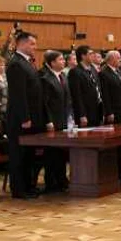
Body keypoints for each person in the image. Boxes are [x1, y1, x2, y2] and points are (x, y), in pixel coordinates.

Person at [5, 32, 43, 199]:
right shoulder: (16, 64)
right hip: (20, 119)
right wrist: (25, 117)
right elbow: (18, 94)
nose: (35, 47)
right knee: (19, 155)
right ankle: (19, 189)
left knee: (28, 155)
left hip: (31, 117)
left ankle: (29, 186)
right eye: (32, 44)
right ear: (22, 44)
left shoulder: (27, 63)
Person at [40, 50, 70, 192]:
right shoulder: (46, 78)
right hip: (53, 121)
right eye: (60, 60)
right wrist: (48, 121)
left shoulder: (63, 76)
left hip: (63, 119)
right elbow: (44, 102)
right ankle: (51, 182)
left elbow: (67, 99)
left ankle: (62, 179)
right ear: (52, 63)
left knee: (62, 153)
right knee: (52, 153)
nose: (63, 62)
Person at [68, 45, 103, 127]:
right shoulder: (75, 72)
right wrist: (82, 115)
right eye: (90, 54)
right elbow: (77, 95)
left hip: (97, 110)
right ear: (83, 56)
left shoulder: (93, 69)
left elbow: (98, 89)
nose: (93, 56)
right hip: (86, 113)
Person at [100, 50, 121, 124]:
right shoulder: (104, 73)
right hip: (114, 111)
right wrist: (109, 112)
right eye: (118, 58)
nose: (120, 60)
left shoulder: (120, 72)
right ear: (111, 59)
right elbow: (105, 95)